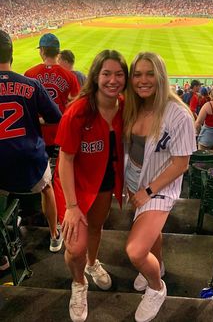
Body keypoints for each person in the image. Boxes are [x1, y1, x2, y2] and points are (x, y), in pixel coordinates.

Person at [54, 50, 128, 322]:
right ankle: (79, 283)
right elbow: (65, 159)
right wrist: (72, 206)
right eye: (106, 73)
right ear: (96, 76)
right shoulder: (78, 111)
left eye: (119, 74)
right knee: (74, 248)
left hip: (105, 182)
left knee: (96, 228)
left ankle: (93, 263)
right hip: (75, 186)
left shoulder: (124, 105)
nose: (112, 80)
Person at [123, 52, 196, 322]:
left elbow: (181, 164)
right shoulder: (132, 106)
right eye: (138, 74)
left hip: (157, 188)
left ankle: (157, 287)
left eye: (150, 73)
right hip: (133, 183)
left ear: (161, 76)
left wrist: (148, 192)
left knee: (135, 250)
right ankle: (159, 265)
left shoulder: (179, 114)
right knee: (151, 234)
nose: (143, 80)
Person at [0, 30, 63, 252]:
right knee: (47, 187)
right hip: (31, 161)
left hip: (1, 167)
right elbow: (56, 117)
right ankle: (55, 235)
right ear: (11, 55)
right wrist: (33, 118)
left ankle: (4, 239)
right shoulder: (31, 84)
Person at [24, 33, 79, 158]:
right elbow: (76, 106)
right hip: (61, 132)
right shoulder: (70, 76)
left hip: (37, 134)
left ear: (42, 50)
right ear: (58, 52)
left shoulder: (29, 74)